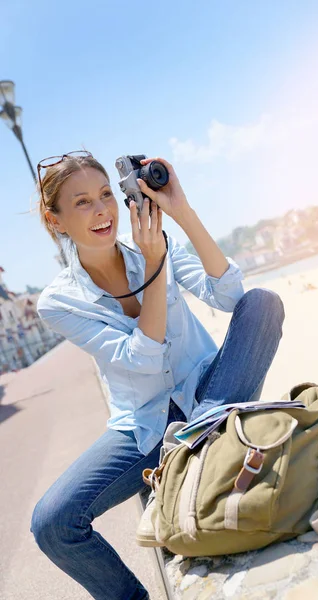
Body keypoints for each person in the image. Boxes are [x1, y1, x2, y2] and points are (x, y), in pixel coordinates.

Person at [30, 151, 285, 600]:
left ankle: (195, 439)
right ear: (57, 222)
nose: (103, 210)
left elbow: (229, 296)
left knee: (263, 303)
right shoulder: (58, 302)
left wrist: (180, 211)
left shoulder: (158, 244)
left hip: (210, 391)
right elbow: (142, 357)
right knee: (52, 523)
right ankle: (194, 447)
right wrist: (153, 268)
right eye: (83, 202)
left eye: (107, 194)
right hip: (144, 428)